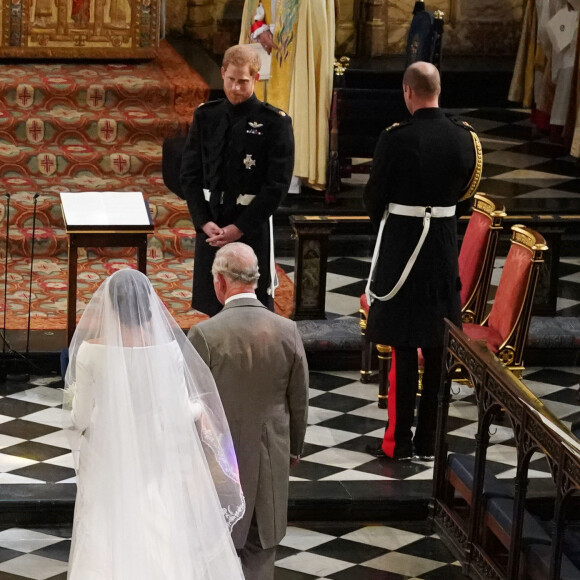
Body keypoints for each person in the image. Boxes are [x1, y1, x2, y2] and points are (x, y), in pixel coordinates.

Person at [63, 269, 245, 580]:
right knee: (158, 521)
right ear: (148, 304)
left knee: (109, 526)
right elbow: (177, 410)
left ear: (110, 306)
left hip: (110, 457)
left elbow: (79, 418)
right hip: (155, 454)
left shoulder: (90, 351)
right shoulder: (168, 349)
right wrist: (199, 408)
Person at [364, 62, 482, 461]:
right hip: (443, 248)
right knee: (436, 345)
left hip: (403, 246)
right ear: (439, 89)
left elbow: (373, 197)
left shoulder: (396, 138)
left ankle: (397, 442)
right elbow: (465, 193)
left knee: (402, 342)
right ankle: (431, 442)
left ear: (407, 92)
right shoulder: (466, 138)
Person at [188, 243, 309, 580]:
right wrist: (294, 448)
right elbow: (298, 399)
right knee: (261, 547)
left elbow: (190, 402)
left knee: (217, 548)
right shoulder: (287, 331)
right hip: (271, 456)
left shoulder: (205, 335)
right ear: (257, 279)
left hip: (219, 463)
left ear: (220, 282)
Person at [180, 44, 294, 317]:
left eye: (243, 81)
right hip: (212, 223)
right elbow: (189, 174)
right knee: (213, 304)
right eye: (230, 80)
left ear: (255, 78)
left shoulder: (275, 122)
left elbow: (277, 185)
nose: (236, 88)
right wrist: (203, 221)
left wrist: (239, 228)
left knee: (252, 306)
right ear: (222, 73)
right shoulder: (206, 116)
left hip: (249, 224)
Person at [239, 0, 335, 192]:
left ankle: (290, 175)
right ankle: (253, 167)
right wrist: (259, 24)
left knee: (296, 93)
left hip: (298, 33)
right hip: (263, 29)